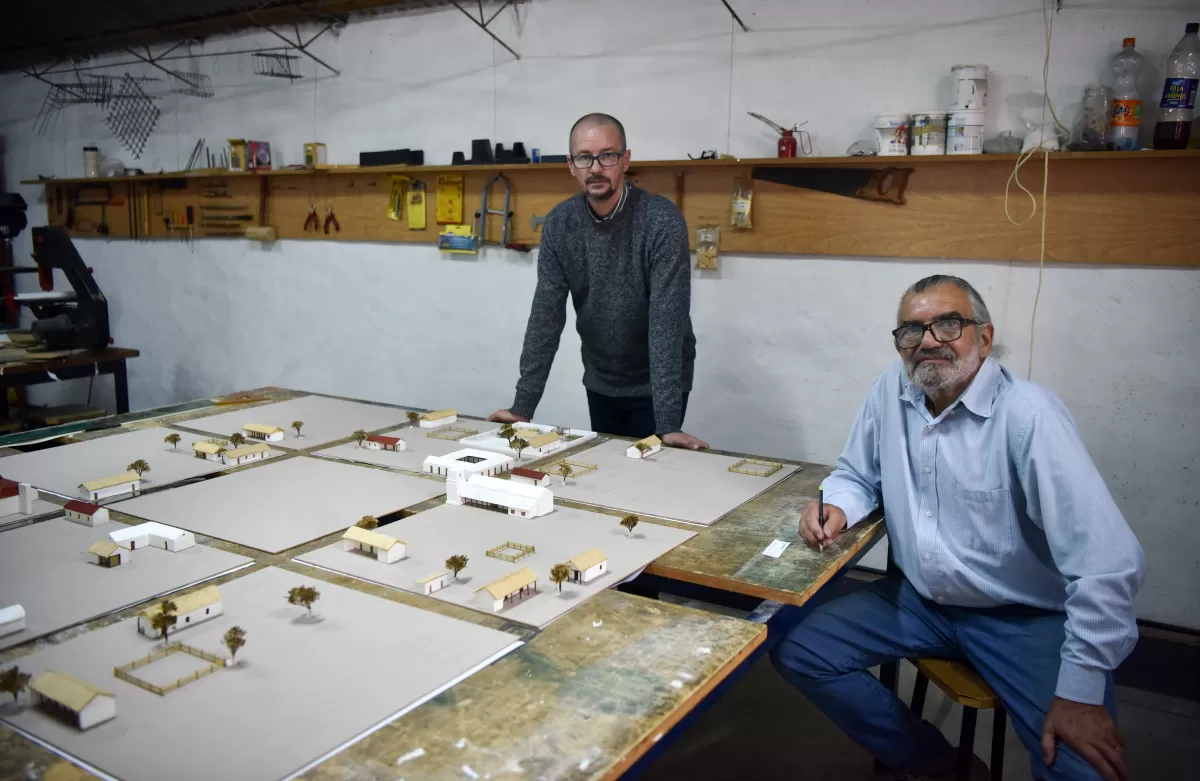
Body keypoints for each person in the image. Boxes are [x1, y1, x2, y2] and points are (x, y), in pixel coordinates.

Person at [772, 276, 1144, 781]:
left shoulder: (1029, 417)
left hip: (1025, 618)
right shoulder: (891, 388)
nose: (927, 341)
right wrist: (836, 505)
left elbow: (1108, 564)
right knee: (800, 652)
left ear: (984, 339)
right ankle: (937, 764)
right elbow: (857, 474)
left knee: (1081, 767)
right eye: (911, 330)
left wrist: (1080, 692)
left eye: (948, 324)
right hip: (922, 603)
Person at [489, 113, 707, 448]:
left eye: (607, 156)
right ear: (571, 164)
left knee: (650, 480)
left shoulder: (661, 221)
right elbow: (546, 316)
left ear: (625, 160)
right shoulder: (561, 224)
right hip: (601, 377)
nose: (595, 168)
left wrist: (666, 423)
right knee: (610, 471)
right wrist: (523, 407)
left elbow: (667, 320)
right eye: (584, 157)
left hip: (658, 383)